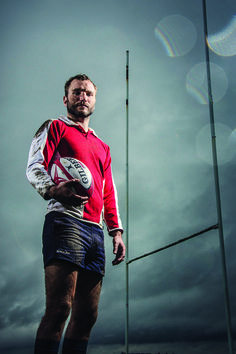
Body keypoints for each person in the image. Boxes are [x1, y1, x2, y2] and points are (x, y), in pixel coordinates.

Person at [26, 74, 126, 354]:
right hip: (65, 220)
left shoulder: (102, 146)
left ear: (95, 100)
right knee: (60, 308)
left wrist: (116, 231)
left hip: (95, 231)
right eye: (77, 92)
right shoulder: (55, 126)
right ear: (66, 98)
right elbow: (34, 166)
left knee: (87, 316)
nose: (83, 97)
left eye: (88, 93)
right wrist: (53, 189)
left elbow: (108, 190)